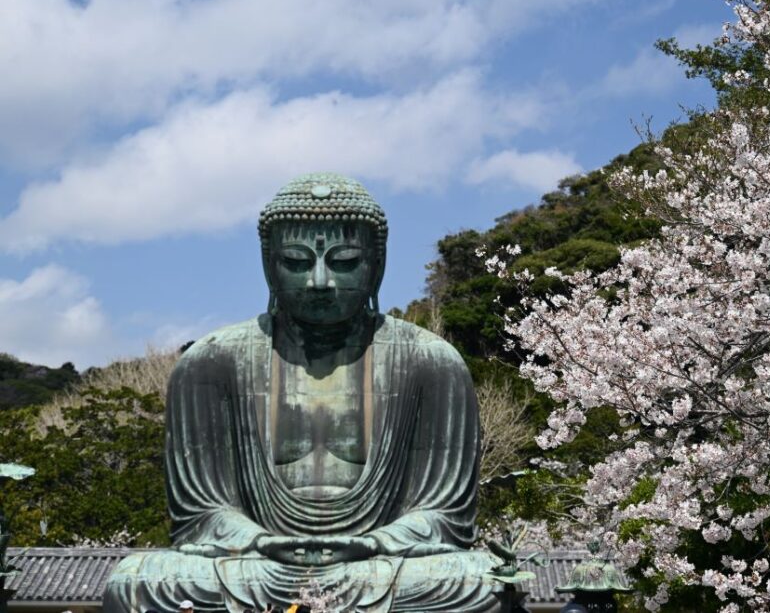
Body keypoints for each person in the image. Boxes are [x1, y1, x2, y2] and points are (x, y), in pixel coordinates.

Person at [102, 174, 499, 612]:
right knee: (135, 582)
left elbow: (444, 515)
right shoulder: (210, 362)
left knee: (481, 583)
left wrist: (373, 542)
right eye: (296, 260)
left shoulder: (431, 361)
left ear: (377, 264)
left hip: (379, 564)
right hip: (256, 565)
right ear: (268, 264)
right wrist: (259, 540)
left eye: (345, 260)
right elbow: (201, 512)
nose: (319, 281)